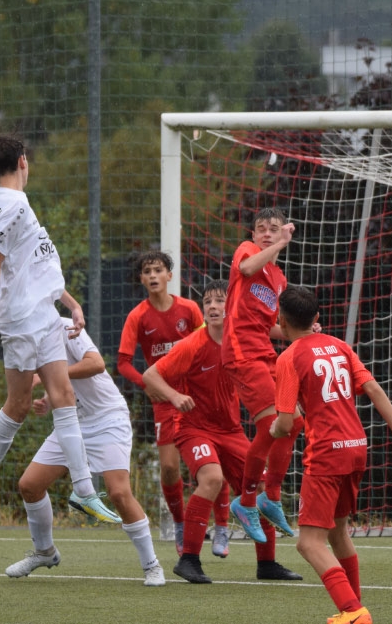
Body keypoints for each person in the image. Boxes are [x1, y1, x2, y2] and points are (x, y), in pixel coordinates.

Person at [0, 131, 117, 533]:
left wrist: (72, 304)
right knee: (18, 405)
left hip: (45, 315)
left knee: (64, 395)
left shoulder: (17, 203)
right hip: (20, 321)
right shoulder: (11, 205)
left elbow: (37, 265)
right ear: (23, 162)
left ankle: (84, 490)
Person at [271, 286, 392, 624]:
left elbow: (285, 423)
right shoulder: (339, 346)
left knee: (308, 543)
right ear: (316, 317)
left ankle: (353, 611)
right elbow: (373, 388)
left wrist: (274, 431)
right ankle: (352, 606)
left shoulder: (288, 358)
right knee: (337, 533)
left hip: (326, 454)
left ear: (282, 321)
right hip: (356, 448)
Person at [143, 280, 303, 585]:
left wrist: (305, 331)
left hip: (230, 430)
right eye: (208, 302)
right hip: (193, 428)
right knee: (212, 478)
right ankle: (188, 559)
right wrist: (175, 396)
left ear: (232, 308)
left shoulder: (240, 341)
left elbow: (271, 330)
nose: (213, 307)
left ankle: (267, 563)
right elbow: (150, 375)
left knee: (257, 486)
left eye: (220, 301)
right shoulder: (192, 344)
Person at [4, 317, 165, 586]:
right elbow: (61, 384)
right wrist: (47, 400)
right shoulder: (25, 339)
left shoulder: (66, 326)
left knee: (118, 493)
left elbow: (96, 364)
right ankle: (45, 552)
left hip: (108, 418)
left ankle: (152, 566)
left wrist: (51, 376)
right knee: (29, 485)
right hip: (71, 421)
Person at [116, 250, 230, 557]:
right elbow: (123, 363)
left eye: (158, 270)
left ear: (169, 276)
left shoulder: (190, 309)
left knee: (215, 462)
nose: (153, 276)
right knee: (168, 468)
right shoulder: (138, 316)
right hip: (165, 398)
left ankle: (222, 526)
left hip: (198, 394)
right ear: (141, 279)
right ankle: (179, 524)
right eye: (147, 271)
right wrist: (148, 385)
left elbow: (209, 342)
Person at [222, 207, 306, 543]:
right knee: (271, 422)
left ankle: (270, 497)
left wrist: (302, 332)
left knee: (293, 421)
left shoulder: (279, 278)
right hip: (240, 350)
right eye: (262, 228)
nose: (267, 233)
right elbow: (246, 268)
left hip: (264, 351)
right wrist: (280, 243)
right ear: (254, 235)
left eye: (274, 228)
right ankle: (245, 502)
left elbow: (270, 326)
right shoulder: (247, 252)